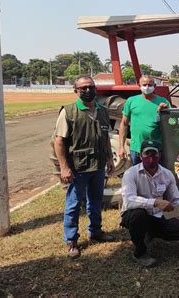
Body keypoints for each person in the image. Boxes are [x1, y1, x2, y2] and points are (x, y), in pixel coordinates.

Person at [53, 76, 115, 258]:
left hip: (98, 166)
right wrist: (64, 168)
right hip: (78, 167)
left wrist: (110, 159)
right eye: (83, 88)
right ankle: (71, 240)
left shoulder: (102, 111)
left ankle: (95, 231)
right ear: (76, 91)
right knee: (73, 204)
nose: (88, 91)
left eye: (91, 87)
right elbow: (59, 142)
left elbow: (105, 139)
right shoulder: (69, 112)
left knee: (95, 200)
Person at [121, 140, 179, 267]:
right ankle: (140, 252)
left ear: (159, 155)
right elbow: (129, 200)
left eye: (154, 154)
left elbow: (177, 199)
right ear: (140, 156)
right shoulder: (130, 174)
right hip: (135, 214)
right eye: (146, 154)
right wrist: (155, 202)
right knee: (138, 215)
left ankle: (151, 232)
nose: (151, 158)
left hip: (158, 214)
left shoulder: (167, 174)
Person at [119, 75, 170, 165]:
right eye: (144, 85)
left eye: (150, 85)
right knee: (139, 175)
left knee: (157, 176)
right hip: (137, 148)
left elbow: (170, 124)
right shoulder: (131, 101)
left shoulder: (164, 102)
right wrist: (121, 147)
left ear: (154, 86)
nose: (147, 87)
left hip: (157, 149)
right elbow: (124, 124)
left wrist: (165, 112)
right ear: (139, 85)